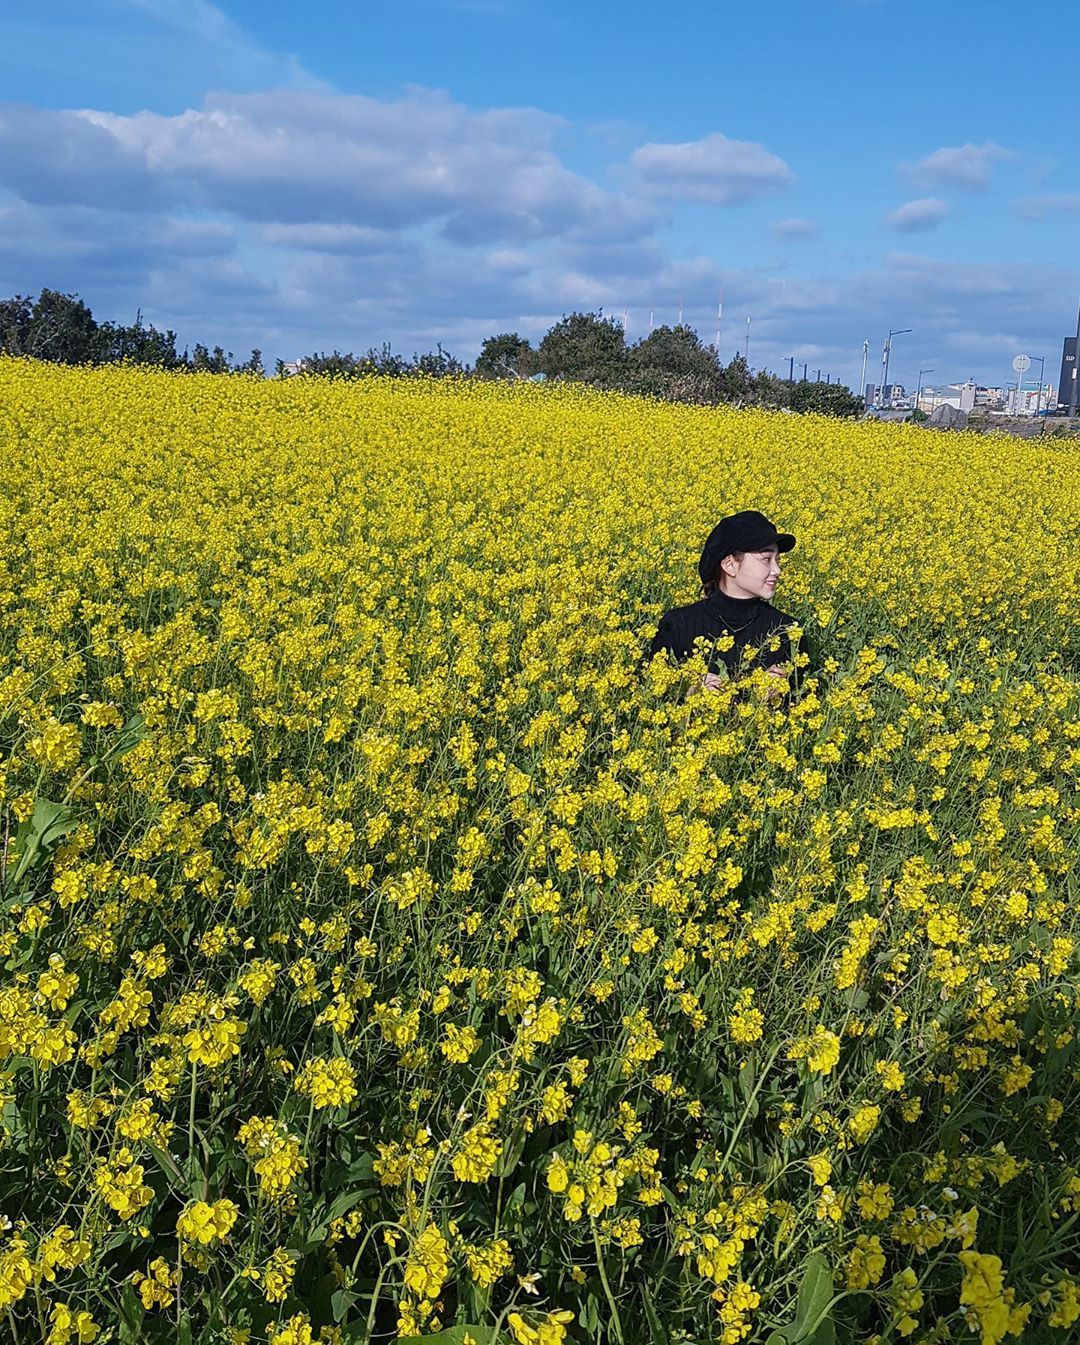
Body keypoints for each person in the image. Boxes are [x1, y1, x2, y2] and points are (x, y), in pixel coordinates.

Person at [648, 510, 801, 698]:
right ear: (729, 565)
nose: (777, 570)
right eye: (766, 559)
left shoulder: (787, 630)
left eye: (777, 560)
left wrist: (780, 696)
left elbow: (805, 704)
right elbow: (650, 695)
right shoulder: (679, 625)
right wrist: (687, 691)